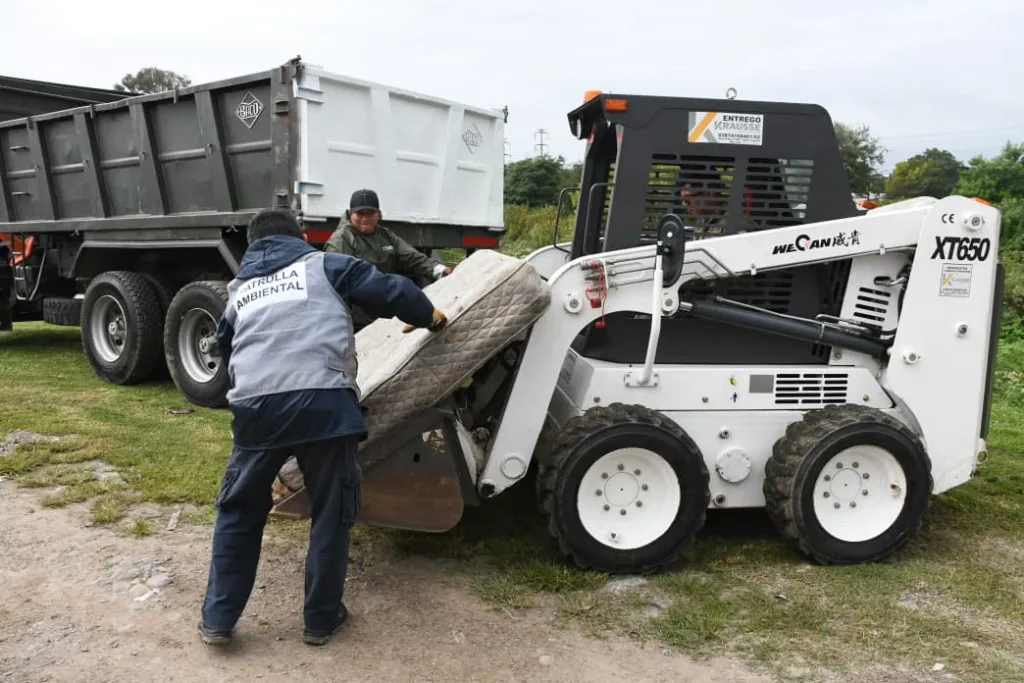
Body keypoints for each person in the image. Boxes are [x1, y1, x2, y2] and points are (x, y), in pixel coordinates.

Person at [198, 208, 447, 647]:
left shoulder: (240, 291)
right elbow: (390, 290)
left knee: (238, 512)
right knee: (331, 513)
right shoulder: (325, 265)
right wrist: (429, 315)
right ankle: (321, 619)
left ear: (252, 246)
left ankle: (219, 620)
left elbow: (223, 347)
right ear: (297, 237)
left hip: (257, 411)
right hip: (325, 405)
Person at [325, 188, 452, 330]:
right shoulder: (341, 240)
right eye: (360, 213)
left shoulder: (385, 235)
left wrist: (438, 270)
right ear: (350, 214)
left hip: (383, 310)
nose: (365, 218)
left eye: (370, 213)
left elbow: (410, 256)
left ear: (378, 214)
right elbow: (344, 284)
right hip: (357, 320)